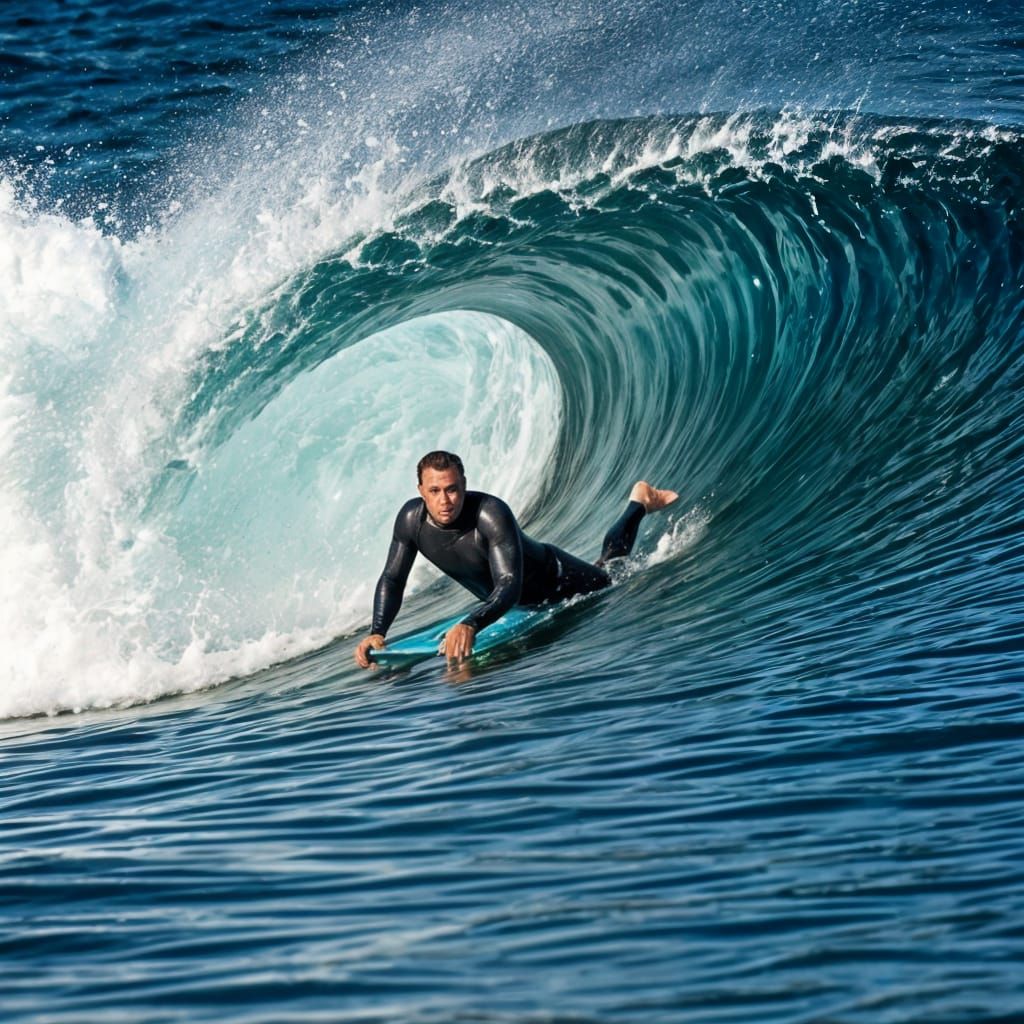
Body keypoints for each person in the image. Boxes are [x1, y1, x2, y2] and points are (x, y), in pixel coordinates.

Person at [354, 451, 678, 667]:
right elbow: (393, 578)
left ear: (464, 485)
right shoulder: (411, 520)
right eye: (435, 491)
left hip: (559, 579)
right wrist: (378, 630)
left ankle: (639, 502)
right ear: (421, 490)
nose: (445, 500)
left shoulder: (490, 513)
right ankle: (639, 503)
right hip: (516, 604)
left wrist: (471, 622)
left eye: (452, 489)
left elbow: (510, 582)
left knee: (614, 573)